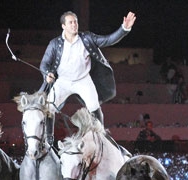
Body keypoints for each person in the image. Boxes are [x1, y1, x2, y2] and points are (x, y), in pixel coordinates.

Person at [40, 10, 136, 144]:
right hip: (63, 81)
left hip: (83, 80)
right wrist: (47, 73)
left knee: (94, 107)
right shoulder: (55, 43)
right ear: (64, 26)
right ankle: (48, 139)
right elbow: (44, 64)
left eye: (75, 22)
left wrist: (124, 28)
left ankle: (101, 138)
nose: (74, 25)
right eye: (70, 22)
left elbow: (108, 40)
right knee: (48, 107)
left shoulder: (87, 38)